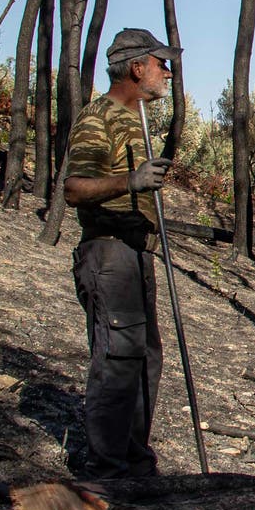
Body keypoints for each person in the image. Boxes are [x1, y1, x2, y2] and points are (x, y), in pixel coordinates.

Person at [62, 28, 179, 480]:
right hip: (109, 252)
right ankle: (106, 473)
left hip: (136, 254)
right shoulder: (100, 117)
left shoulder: (137, 119)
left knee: (145, 358)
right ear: (136, 67)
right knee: (117, 359)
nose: (167, 72)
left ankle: (134, 462)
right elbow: (74, 188)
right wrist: (129, 182)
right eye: (160, 63)